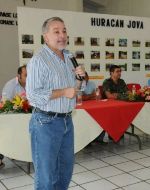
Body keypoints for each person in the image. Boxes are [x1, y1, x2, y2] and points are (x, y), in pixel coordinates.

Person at [26, 17, 85, 190]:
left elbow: (74, 90)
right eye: (56, 31)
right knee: (46, 176)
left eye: (64, 31)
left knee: (64, 172)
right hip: (46, 123)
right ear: (45, 37)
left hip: (67, 121)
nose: (62, 35)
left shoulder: (68, 57)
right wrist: (63, 92)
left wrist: (79, 79)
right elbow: (33, 96)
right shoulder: (39, 60)